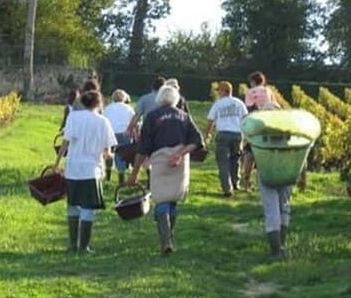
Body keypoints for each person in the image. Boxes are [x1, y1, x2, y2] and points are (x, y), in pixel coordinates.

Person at [128, 84, 203, 255]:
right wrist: (179, 154)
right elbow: (197, 141)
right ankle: (169, 237)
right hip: (180, 161)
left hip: (160, 160)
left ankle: (165, 241)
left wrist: (135, 172)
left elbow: (143, 147)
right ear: (176, 99)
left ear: (159, 98)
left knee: (161, 198)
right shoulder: (184, 116)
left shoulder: (153, 116)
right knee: (173, 198)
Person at [54, 90, 117, 253]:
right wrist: (111, 157)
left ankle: (72, 244)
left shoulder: (73, 117)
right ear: (99, 104)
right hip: (91, 170)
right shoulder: (103, 121)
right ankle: (84, 246)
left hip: (73, 168)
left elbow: (65, 143)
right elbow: (107, 151)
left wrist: (56, 163)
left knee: (73, 205)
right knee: (88, 207)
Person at [204, 81, 248, 197]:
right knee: (235, 159)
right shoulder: (239, 103)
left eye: (219, 90)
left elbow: (210, 121)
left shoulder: (218, 104)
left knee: (223, 161)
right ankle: (235, 183)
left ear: (223, 91)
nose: (218, 93)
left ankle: (227, 188)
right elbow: (246, 119)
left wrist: (207, 134)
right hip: (237, 134)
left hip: (223, 134)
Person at [241, 72, 279, 190]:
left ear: (253, 81)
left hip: (256, 124)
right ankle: (265, 181)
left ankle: (246, 180)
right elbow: (277, 106)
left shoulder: (250, 92)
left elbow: (249, 109)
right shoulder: (269, 91)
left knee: (249, 154)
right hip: (269, 124)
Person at [102, 89, 135, 184]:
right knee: (122, 154)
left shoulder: (107, 108)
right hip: (124, 133)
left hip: (110, 133)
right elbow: (133, 121)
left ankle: (108, 174)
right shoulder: (128, 108)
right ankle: (121, 175)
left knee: (109, 153)